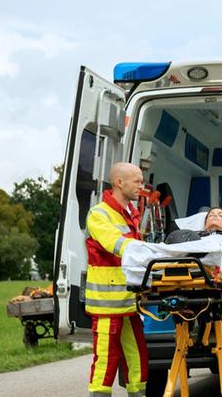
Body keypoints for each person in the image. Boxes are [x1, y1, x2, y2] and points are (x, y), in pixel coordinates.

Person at [85, 162, 149, 397]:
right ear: (119, 182)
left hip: (128, 301)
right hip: (107, 303)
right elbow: (114, 242)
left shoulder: (130, 213)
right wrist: (148, 251)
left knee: (138, 355)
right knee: (106, 358)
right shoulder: (99, 213)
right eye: (137, 181)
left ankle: (138, 393)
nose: (141, 186)